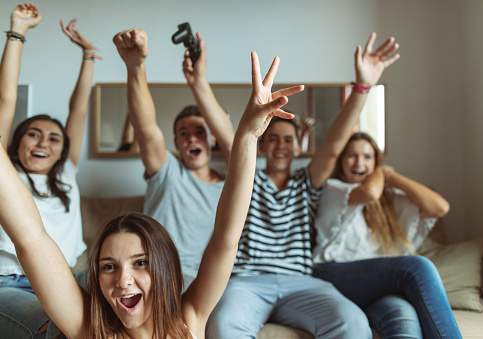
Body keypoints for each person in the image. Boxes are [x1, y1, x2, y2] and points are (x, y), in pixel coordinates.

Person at [0, 23, 300, 337]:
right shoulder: (93, 329)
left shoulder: (188, 321)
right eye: (108, 267)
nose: (123, 280)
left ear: (163, 268)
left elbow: (226, 239)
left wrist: (250, 134)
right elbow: (30, 236)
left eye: (140, 263)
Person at [207, 32, 400, 339]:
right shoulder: (246, 176)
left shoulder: (306, 182)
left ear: (298, 147)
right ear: (262, 143)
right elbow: (223, 128)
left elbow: (335, 145)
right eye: (273, 139)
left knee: (353, 323)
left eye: (288, 140)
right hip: (246, 280)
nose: (281, 146)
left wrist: (362, 87)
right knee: (222, 326)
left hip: (301, 281)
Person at [0, 4, 97, 338]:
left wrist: (88, 55)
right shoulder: (5, 173)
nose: (43, 142)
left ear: (62, 151)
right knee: (57, 324)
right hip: (11, 283)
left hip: (69, 277)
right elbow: (5, 99)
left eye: (54, 138)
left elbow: (79, 107)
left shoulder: (67, 172)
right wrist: (18, 31)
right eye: (33, 133)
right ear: (16, 141)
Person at [116, 29, 235, 290]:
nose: (192, 139)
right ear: (176, 143)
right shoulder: (167, 170)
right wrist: (136, 67)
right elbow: (146, 130)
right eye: (184, 134)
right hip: (152, 272)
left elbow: (237, 146)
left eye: (199, 133)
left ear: (212, 139)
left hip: (198, 281)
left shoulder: (230, 185)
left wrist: (199, 82)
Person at [312, 132, 462, 338]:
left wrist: (392, 176)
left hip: (379, 285)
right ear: (341, 161)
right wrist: (381, 174)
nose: (359, 162)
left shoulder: (388, 199)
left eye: (367, 157)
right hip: (334, 275)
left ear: (376, 162)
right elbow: (370, 192)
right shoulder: (333, 190)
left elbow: (440, 207)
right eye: (351, 156)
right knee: (417, 266)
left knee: (404, 317)